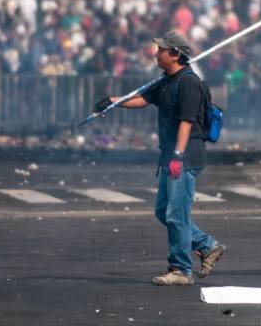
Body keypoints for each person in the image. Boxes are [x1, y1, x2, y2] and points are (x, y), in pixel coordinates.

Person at [93, 31, 226, 286]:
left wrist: (177, 156)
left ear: (175, 54)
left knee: (177, 214)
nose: (156, 54)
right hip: (171, 154)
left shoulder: (189, 83)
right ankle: (207, 246)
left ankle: (180, 270)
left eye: (161, 50)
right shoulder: (166, 81)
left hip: (184, 155)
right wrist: (111, 102)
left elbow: (187, 122)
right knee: (164, 211)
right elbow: (142, 99)